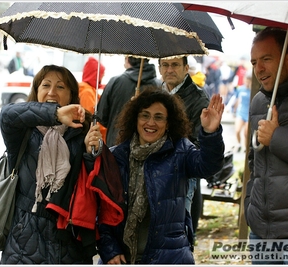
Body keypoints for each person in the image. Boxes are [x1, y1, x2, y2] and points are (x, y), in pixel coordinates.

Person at [0, 64, 121, 264]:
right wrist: (55, 114)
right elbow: (7, 115)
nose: (52, 92)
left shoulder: (83, 130)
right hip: (24, 241)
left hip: (69, 241)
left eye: (61, 87)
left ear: (72, 94)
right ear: (36, 90)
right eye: (46, 85)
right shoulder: (23, 130)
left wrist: (92, 154)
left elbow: (92, 185)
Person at [97, 87, 225, 264]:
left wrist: (210, 133)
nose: (151, 122)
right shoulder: (116, 156)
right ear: (135, 119)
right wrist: (109, 249)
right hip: (121, 259)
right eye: (145, 115)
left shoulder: (180, 150)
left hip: (169, 257)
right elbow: (102, 211)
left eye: (158, 117)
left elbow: (208, 166)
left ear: (168, 123)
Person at [245, 27, 288, 264]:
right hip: (261, 232)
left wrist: (277, 137)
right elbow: (254, 161)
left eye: (266, 59)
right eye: (254, 62)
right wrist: (250, 207)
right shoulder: (259, 102)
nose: (258, 69)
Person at [158, 55, 210, 241]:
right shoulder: (155, 93)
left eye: (174, 65)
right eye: (165, 65)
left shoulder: (199, 98)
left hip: (180, 178)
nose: (169, 69)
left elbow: (198, 146)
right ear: (159, 68)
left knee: (176, 233)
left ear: (186, 68)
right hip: (153, 173)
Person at [96, 56, 160, 147]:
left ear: (127, 59)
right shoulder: (159, 85)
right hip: (149, 146)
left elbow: (102, 116)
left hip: (116, 144)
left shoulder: (115, 82)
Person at [78, 57, 107, 142]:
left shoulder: (89, 89)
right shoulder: (87, 92)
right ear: (95, 75)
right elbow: (90, 118)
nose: (102, 77)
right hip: (92, 137)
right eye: (101, 74)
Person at [226, 72, 252, 153]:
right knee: (237, 130)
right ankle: (239, 144)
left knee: (246, 133)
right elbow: (235, 98)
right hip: (241, 112)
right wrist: (229, 107)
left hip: (249, 113)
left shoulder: (252, 90)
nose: (247, 82)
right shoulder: (240, 89)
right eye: (246, 80)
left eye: (249, 81)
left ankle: (246, 148)